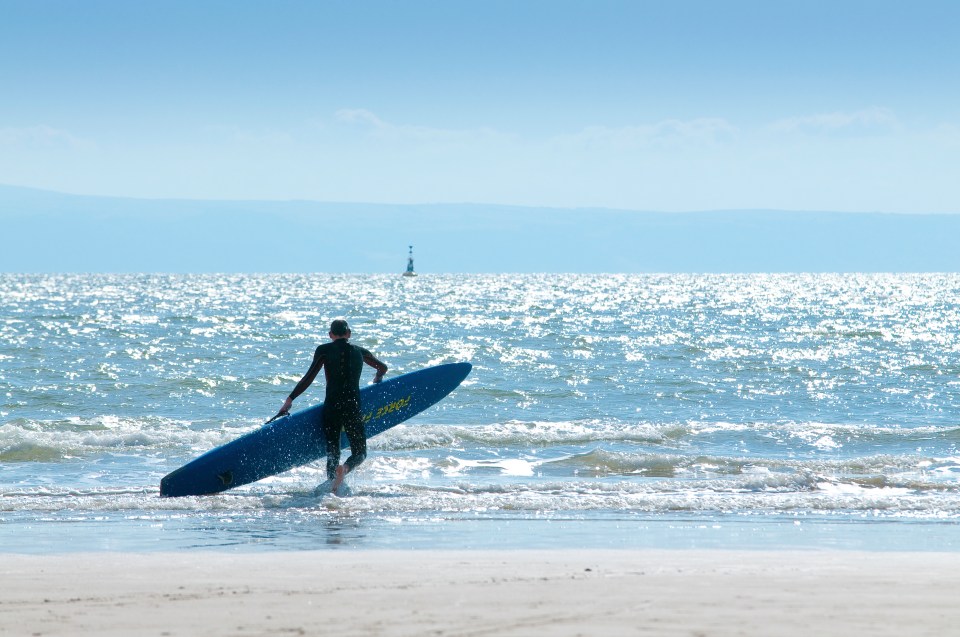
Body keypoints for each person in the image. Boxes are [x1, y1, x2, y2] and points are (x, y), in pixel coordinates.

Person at [279, 319, 387, 493]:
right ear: (349, 333)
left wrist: (290, 399)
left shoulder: (324, 350)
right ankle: (344, 469)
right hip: (352, 405)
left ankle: (331, 487)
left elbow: (309, 377)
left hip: (332, 406)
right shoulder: (360, 352)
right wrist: (378, 377)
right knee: (360, 452)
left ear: (331, 335)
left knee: (333, 449)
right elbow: (383, 367)